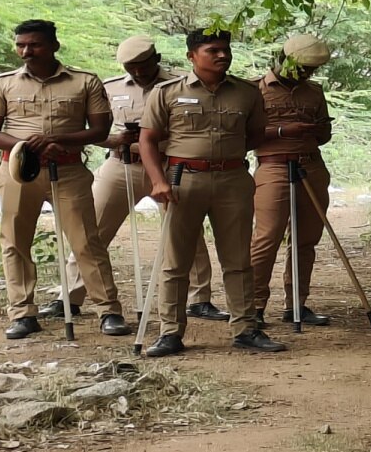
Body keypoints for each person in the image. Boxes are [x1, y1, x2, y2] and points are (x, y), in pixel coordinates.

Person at [41, 36, 226, 322]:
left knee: (185, 232)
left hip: (169, 165)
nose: (137, 72)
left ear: (157, 58)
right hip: (121, 164)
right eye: (131, 67)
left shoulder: (181, 84)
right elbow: (93, 130)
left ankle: (199, 298)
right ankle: (71, 297)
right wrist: (114, 139)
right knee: (91, 230)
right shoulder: (110, 87)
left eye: (143, 65)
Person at [0, 19, 130, 339]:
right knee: (15, 242)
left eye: (34, 45)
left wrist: (57, 138)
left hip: (69, 168)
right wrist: (24, 145)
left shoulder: (84, 81)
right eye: (20, 45)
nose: (26, 51)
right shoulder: (2, 83)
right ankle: (22, 313)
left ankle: (109, 311)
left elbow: (100, 130)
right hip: (17, 170)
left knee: (87, 241)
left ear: (54, 46)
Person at [139, 29, 285, 356]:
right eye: (213, 50)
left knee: (237, 259)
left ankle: (246, 328)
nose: (222, 55)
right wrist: (158, 181)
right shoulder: (166, 92)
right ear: (192, 55)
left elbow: (255, 135)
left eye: (226, 50)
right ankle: (170, 332)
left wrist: (225, 157)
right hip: (183, 179)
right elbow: (147, 140)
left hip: (233, 179)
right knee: (176, 260)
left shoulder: (247, 92)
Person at [250, 34, 334, 328]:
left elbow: (324, 135)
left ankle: (296, 304)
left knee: (306, 239)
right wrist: (284, 131)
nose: (307, 74)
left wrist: (315, 129)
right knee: (267, 238)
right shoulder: (254, 90)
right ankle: (254, 306)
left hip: (311, 167)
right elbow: (245, 137)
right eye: (303, 68)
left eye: (312, 70)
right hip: (273, 167)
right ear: (284, 59)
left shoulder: (314, 92)